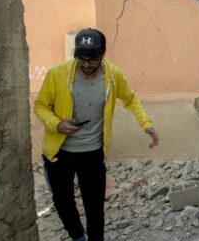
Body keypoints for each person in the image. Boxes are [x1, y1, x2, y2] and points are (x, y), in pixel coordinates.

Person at [34, 28, 159, 241]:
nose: (86, 64)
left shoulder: (113, 76)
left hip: (92, 153)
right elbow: (41, 105)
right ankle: (77, 237)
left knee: (94, 206)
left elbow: (130, 99)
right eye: (81, 59)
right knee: (62, 201)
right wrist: (57, 124)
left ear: (102, 54)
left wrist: (146, 124)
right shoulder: (57, 74)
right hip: (59, 153)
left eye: (92, 59)